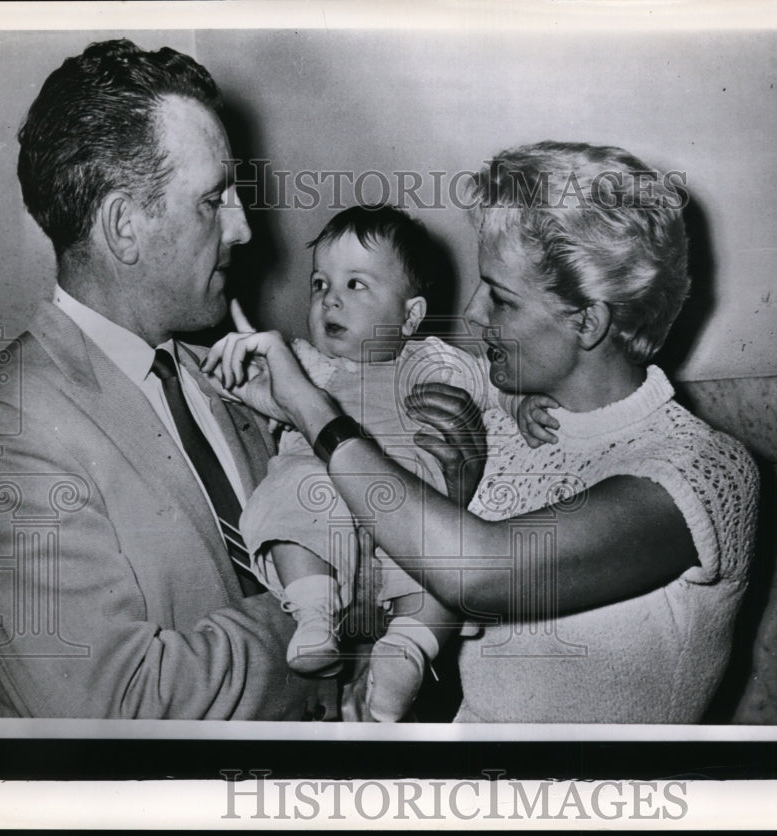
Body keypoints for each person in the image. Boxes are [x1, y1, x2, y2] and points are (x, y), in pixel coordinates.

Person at [204, 141, 760, 723]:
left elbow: (479, 573)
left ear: (587, 321)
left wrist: (310, 407)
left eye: (500, 297)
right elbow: (377, 597)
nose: (471, 313)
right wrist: (456, 489)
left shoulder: (701, 469)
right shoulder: (489, 420)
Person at [0, 39, 324, 719]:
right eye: (212, 199)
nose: (244, 228)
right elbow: (120, 702)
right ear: (123, 226)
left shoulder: (233, 377)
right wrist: (335, 615)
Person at [234, 204, 549, 721]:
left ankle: (404, 657)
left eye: (356, 284)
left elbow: (492, 387)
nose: (329, 299)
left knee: (449, 565)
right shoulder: (311, 366)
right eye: (319, 284)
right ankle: (313, 615)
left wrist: (524, 403)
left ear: (409, 315)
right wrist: (245, 372)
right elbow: (263, 387)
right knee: (290, 485)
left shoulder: (432, 360)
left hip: (406, 512)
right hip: (324, 504)